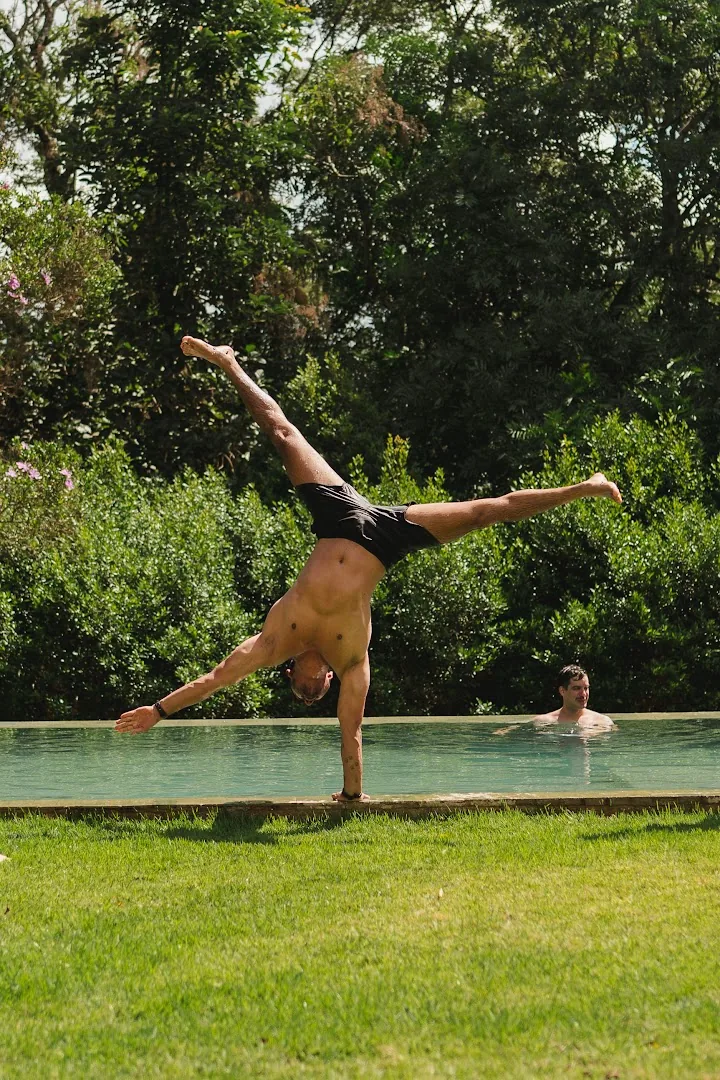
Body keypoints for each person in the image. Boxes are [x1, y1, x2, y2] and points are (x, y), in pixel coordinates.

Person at [115, 337, 623, 799]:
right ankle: (584, 488)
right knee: (487, 510)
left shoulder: (272, 644)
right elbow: (351, 735)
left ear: (296, 672)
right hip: (384, 538)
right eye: (320, 690)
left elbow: (214, 679)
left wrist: (158, 711)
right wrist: (352, 797)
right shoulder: (353, 664)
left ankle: (227, 361)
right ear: (329, 682)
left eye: (306, 687)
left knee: (282, 432)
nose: (316, 685)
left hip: (336, 516)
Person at [533, 664, 615, 729]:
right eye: (576, 688)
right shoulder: (543, 723)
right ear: (562, 691)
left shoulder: (603, 722)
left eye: (586, 688)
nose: (583, 694)